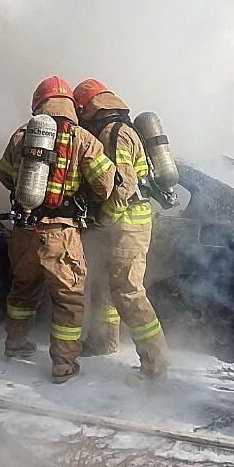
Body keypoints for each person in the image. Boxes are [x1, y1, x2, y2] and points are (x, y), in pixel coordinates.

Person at [0, 76, 115, 383]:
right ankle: (63, 364)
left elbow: (6, 175)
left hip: (24, 229)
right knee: (68, 298)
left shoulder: (22, 135)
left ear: (39, 104)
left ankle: (15, 342)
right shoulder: (83, 139)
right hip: (61, 234)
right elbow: (104, 185)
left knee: (23, 287)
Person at [72, 79, 170, 382]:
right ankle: (103, 340)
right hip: (121, 222)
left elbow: (123, 187)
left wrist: (104, 220)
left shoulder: (114, 134)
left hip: (126, 223)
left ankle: (156, 362)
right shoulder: (116, 130)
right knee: (104, 283)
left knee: (128, 291)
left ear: (89, 108)